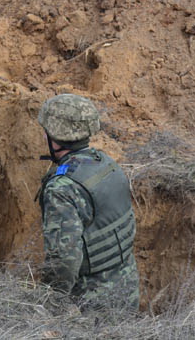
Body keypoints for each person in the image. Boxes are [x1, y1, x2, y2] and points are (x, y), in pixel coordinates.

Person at [36, 93, 139, 312]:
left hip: (91, 301)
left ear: (53, 136)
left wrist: (51, 301)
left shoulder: (62, 188)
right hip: (127, 286)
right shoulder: (106, 164)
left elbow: (64, 259)